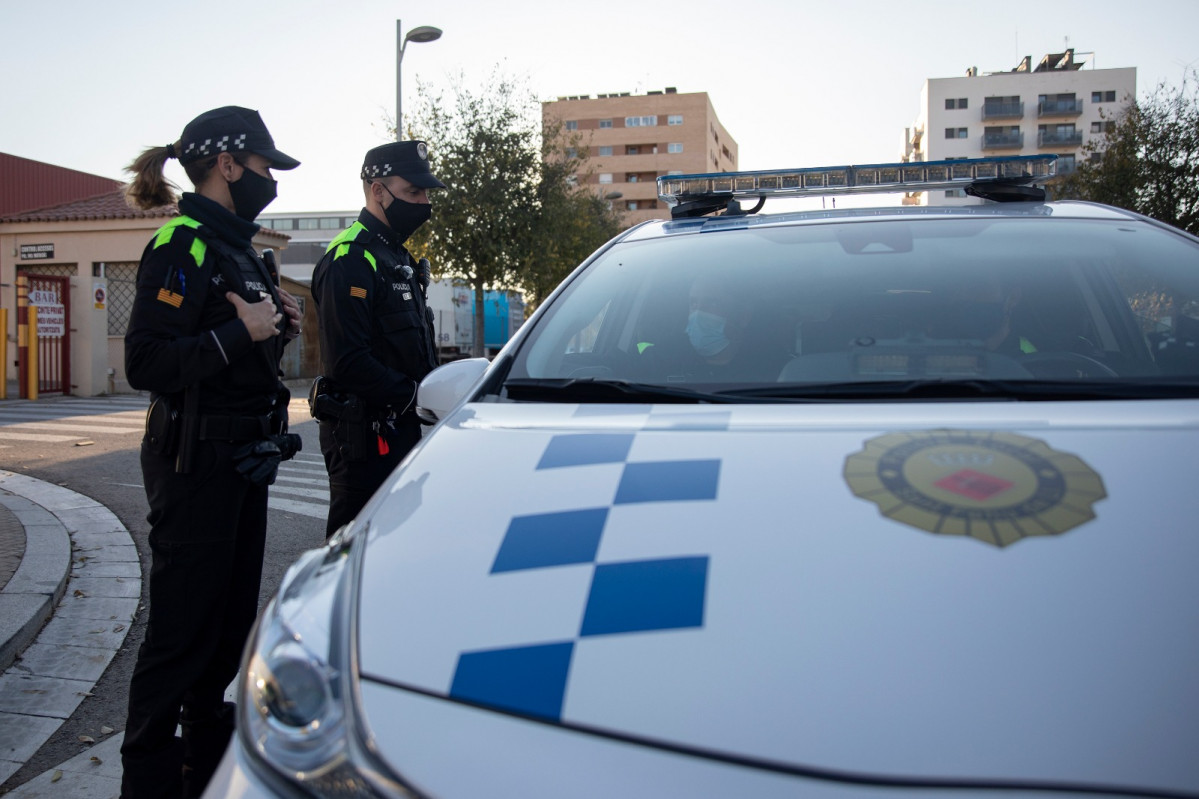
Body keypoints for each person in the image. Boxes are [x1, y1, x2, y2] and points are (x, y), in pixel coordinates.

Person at [121, 106, 303, 799]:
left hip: (243, 464)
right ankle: (145, 782)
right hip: (194, 467)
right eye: (263, 166)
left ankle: (205, 770)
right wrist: (241, 331)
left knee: (225, 638)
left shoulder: (241, 250)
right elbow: (147, 359)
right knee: (179, 639)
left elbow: (239, 354)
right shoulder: (183, 242)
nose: (269, 179)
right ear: (228, 164)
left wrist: (274, 328)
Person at [310, 141, 443, 537]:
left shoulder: (397, 258)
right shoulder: (350, 258)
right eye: (412, 192)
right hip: (362, 440)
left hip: (398, 430)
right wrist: (418, 394)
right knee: (353, 558)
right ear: (377, 190)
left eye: (424, 193)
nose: (422, 203)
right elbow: (347, 362)